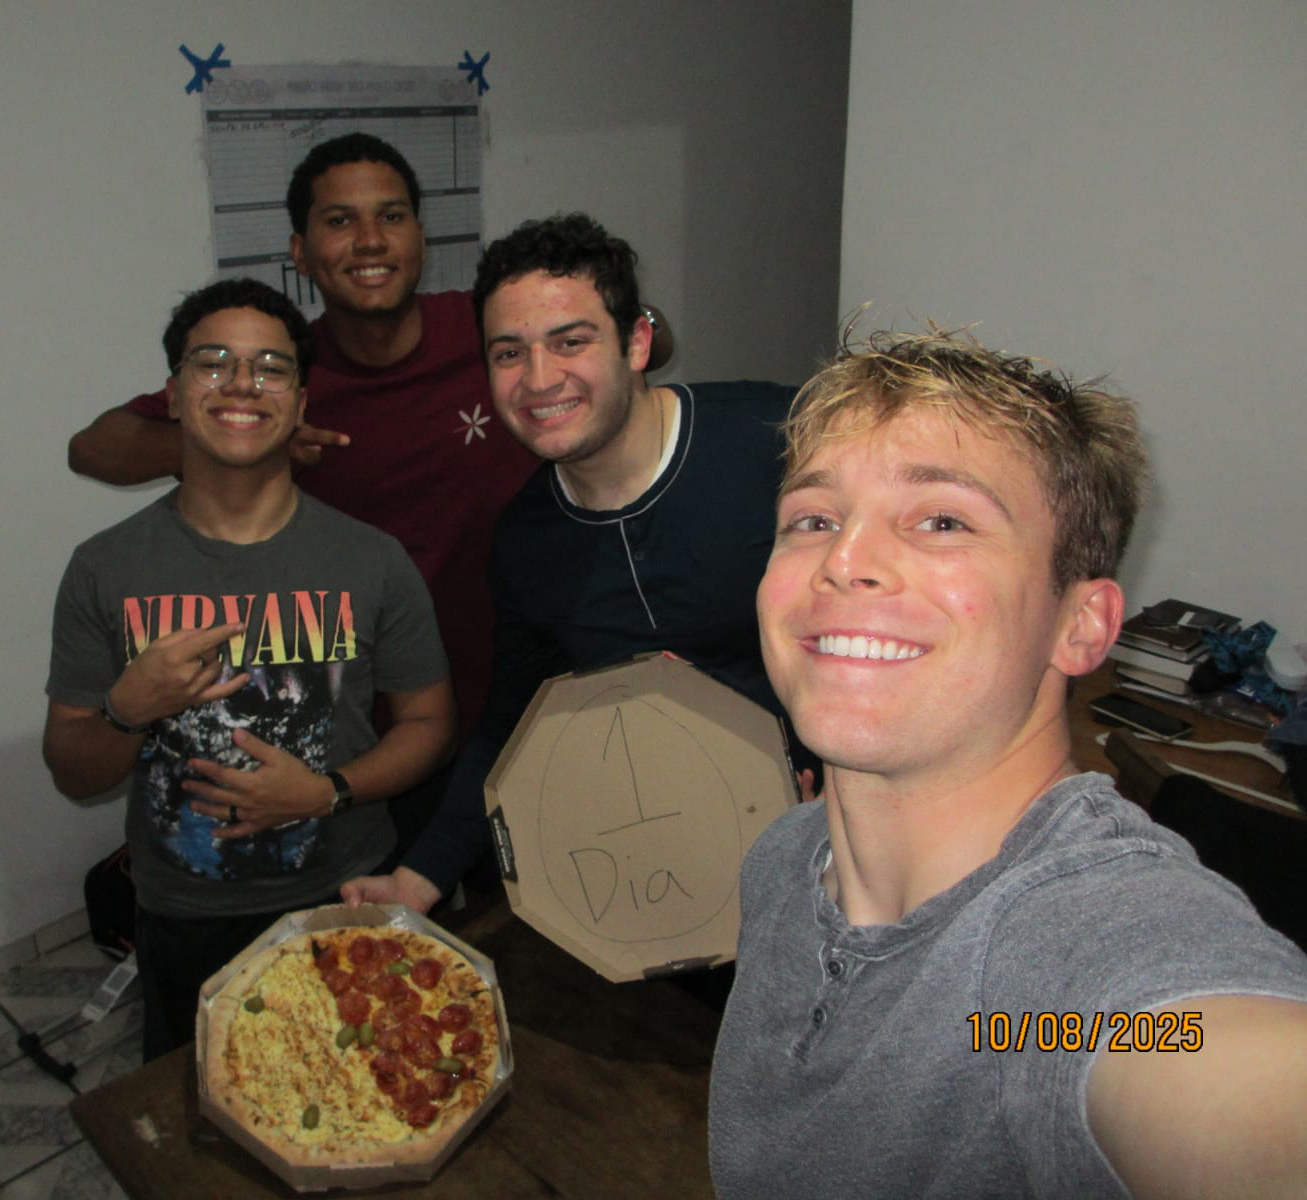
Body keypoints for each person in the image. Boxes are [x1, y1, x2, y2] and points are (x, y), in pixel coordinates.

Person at [707, 329, 1307, 1198]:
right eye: (814, 519)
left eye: (943, 520)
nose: (843, 561)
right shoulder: (781, 862)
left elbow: (1198, 1064)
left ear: (1082, 626)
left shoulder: (1053, 981)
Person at [343, 214, 817, 914]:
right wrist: (418, 879)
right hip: (671, 871)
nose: (539, 379)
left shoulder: (779, 438)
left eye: (571, 342)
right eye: (510, 353)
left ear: (637, 343)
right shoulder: (527, 541)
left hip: (845, 840)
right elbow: (515, 722)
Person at [44, 279, 457, 1059]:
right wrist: (128, 708)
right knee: (204, 1107)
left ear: (300, 403)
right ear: (173, 395)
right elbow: (71, 770)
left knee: (358, 1094)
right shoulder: (104, 568)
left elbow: (431, 723)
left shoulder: (372, 560)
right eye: (213, 362)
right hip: (186, 915)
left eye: (271, 367)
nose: (241, 383)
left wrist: (328, 791)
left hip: (347, 892)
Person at [67, 133, 538, 749]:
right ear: (301, 253)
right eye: (340, 221)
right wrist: (255, 439)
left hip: (521, 690)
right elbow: (93, 448)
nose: (370, 241)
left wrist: (642, 326)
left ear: (420, 239)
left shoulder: (489, 326)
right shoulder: (279, 377)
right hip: (360, 720)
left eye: (391, 217)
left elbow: (622, 341)